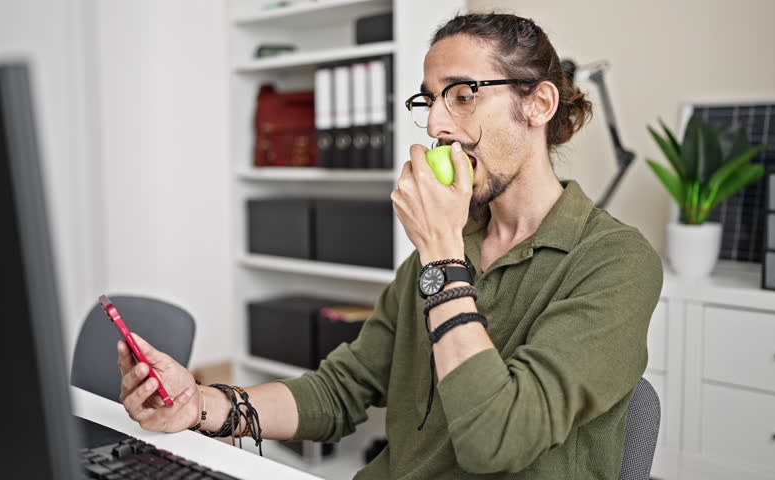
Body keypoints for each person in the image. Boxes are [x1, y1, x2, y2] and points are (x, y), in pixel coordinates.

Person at [117, 12, 663, 479]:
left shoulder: (615, 262)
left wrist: (442, 255)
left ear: (539, 103)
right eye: (428, 101)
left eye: (463, 95)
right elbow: (341, 389)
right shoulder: (446, 246)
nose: (436, 124)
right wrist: (202, 405)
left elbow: (497, 440)